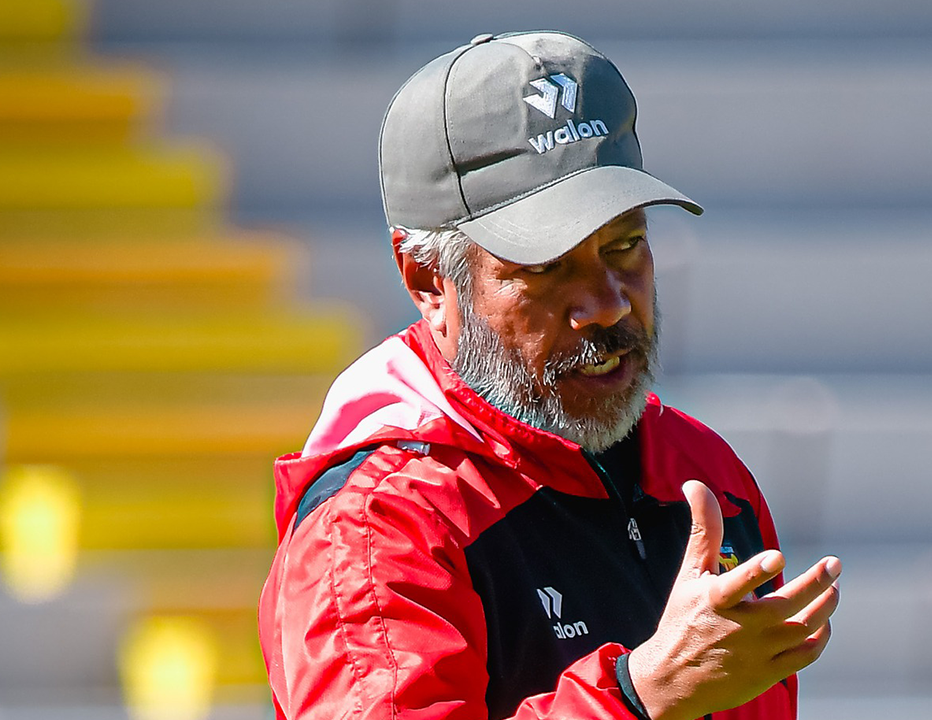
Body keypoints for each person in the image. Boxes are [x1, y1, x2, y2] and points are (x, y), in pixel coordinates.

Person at [258, 30, 841, 720]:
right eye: (545, 265)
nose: (607, 303)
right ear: (429, 280)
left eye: (625, 245)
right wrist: (640, 696)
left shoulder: (705, 473)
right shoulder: (378, 525)